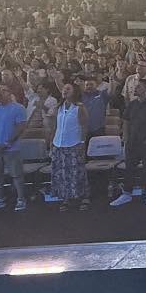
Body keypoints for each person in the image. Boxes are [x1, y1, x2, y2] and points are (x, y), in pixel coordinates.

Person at [111, 80, 146, 208]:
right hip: (132, 141)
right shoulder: (132, 104)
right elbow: (126, 120)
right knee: (129, 168)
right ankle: (127, 193)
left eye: (138, 86)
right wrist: (125, 137)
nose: (135, 88)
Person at [46, 82, 90, 211]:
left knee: (77, 172)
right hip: (59, 144)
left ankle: (84, 196)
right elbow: (55, 127)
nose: (65, 91)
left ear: (74, 92)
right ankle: (66, 197)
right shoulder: (58, 108)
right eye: (64, 89)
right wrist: (51, 144)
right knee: (62, 173)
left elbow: (84, 126)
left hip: (74, 144)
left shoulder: (79, 107)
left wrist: (82, 142)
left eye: (68, 89)